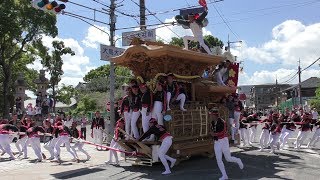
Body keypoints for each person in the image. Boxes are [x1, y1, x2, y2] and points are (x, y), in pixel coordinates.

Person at [209, 108, 243, 180]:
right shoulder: (212, 122)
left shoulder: (222, 122)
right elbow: (212, 131)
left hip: (223, 141)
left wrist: (214, 134)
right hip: (217, 142)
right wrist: (213, 137)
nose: (210, 116)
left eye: (211, 115)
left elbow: (223, 132)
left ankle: (238, 160)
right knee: (218, 160)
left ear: (214, 115)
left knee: (228, 158)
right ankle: (224, 175)